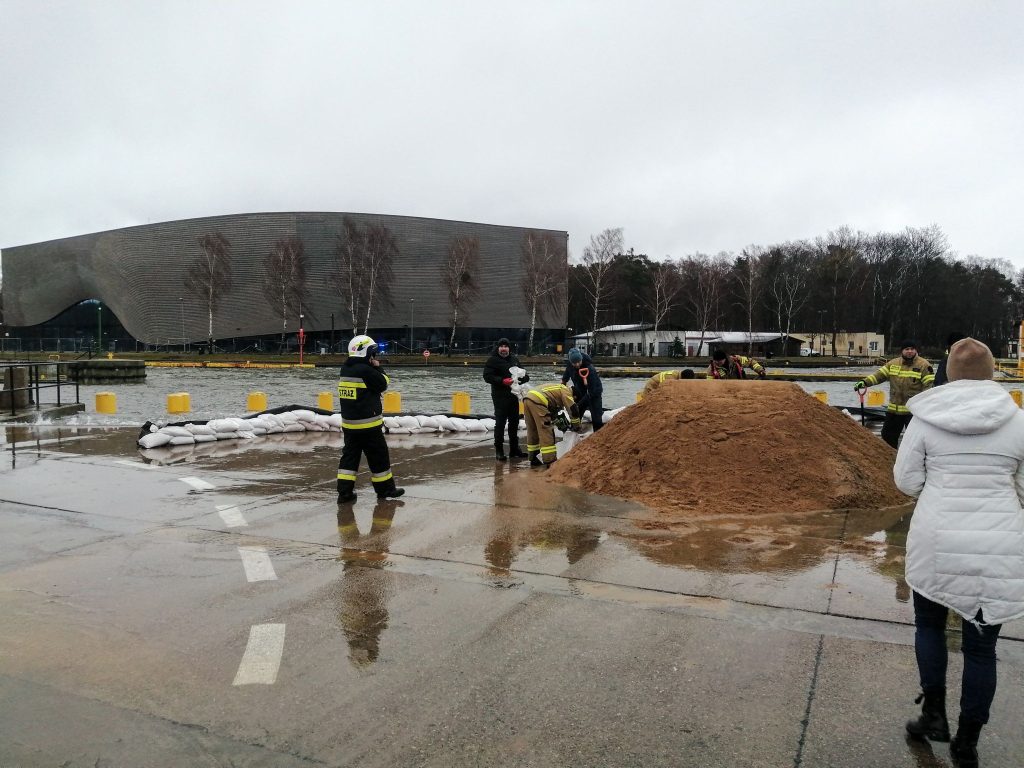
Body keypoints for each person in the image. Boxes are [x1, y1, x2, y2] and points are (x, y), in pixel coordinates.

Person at [894, 338, 1024, 767]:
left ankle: (933, 714)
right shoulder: (1018, 421)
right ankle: (967, 741)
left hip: (937, 540)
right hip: (998, 546)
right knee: (982, 650)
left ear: (948, 372)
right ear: (991, 372)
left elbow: (906, 481)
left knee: (929, 626)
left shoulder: (925, 420)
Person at [336, 334, 405, 503]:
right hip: (368, 425)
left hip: (349, 425)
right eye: (372, 353)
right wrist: (378, 368)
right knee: (378, 457)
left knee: (349, 459)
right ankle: (385, 490)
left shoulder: (345, 369)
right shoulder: (366, 370)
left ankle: (344, 493)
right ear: (365, 352)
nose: (373, 357)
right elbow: (383, 383)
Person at [855, 340, 934, 448]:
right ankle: (891, 456)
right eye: (907, 349)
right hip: (894, 410)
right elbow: (878, 376)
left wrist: (924, 407)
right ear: (902, 351)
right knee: (887, 436)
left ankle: (911, 457)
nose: (909, 351)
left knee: (915, 439)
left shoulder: (924, 365)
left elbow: (929, 387)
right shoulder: (893, 364)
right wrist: (864, 382)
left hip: (913, 412)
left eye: (912, 349)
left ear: (916, 350)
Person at [482, 338, 528, 462]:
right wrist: (502, 381)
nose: (504, 349)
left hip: (514, 396)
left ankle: (514, 450)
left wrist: (522, 379)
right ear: (498, 348)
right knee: (500, 424)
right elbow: (487, 376)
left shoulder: (514, 359)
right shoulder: (492, 360)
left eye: (506, 346)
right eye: (501, 346)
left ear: (509, 348)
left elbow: (525, 375)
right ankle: (499, 450)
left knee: (514, 423)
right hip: (499, 397)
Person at [523, 382, 579, 467]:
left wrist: (560, 424)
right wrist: (576, 426)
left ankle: (533, 457)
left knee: (532, 429)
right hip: (539, 401)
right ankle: (550, 460)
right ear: (575, 396)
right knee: (546, 430)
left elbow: (552, 411)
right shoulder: (566, 391)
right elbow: (573, 410)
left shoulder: (557, 389)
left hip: (528, 398)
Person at [561, 348, 604, 430]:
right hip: (580, 390)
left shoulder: (589, 368)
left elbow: (592, 391)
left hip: (594, 392)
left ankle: (598, 432)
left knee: (596, 418)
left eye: (579, 362)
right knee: (576, 412)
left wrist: (580, 403)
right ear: (571, 362)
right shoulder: (570, 365)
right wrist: (562, 387)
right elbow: (565, 377)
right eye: (574, 363)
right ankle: (575, 428)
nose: (577, 364)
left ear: (581, 359)